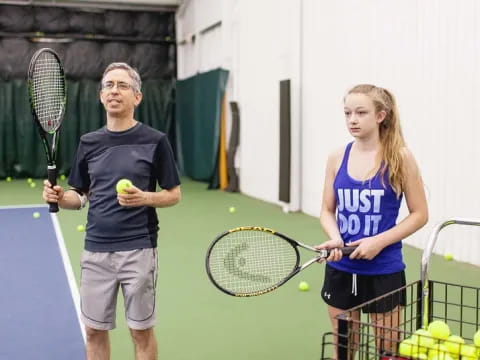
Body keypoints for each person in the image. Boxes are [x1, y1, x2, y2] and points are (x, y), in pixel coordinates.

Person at [42, 62, 181, 360]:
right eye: (108, 85)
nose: (114, 91)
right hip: (95, 252)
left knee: (140, 332)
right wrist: (58, 196)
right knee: (93, 331)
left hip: (139, 250)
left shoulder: (155, 141)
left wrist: (144, 197)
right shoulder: (88, 143)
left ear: (137, 97)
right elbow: (79, 197)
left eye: (122, 85)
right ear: (101, 95)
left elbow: (173, 195)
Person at [316, 84, 428, 359]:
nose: (352, 119)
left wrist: (379, 242)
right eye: (347, 113)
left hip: (383, 269)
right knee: (343, 346)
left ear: (381, 115)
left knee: (387, 349)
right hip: (341, 267)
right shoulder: (336, 157)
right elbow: (327, 210)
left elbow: (420, 214)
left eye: (361, 112)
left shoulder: (400, 157)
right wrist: (335, 237)